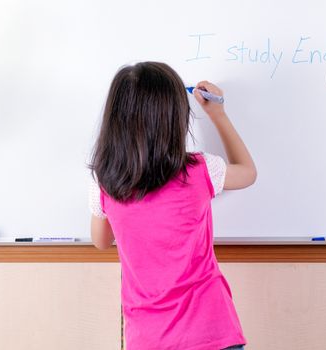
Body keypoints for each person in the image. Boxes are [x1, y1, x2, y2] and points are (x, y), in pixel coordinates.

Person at [87, 61, 256, 349]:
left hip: (148, 340)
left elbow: (101, 241)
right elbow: (247, 172)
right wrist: (218, 114)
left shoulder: (105, 183)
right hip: (213, 333)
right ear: (174, 117)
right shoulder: (200, 170)